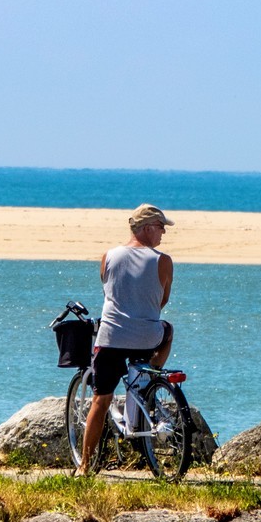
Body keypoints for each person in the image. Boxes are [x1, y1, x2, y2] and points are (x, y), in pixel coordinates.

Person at [75, 203, 175, 476]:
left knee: (100, 400)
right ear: (145, 229)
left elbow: (109, 292)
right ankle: (149, 377)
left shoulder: (108, 256)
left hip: (111, 338)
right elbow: (161, 300)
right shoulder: (163, 261)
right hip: (147, 338)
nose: (164, 233)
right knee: (167, 330)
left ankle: (84, 467)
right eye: (160, 227)